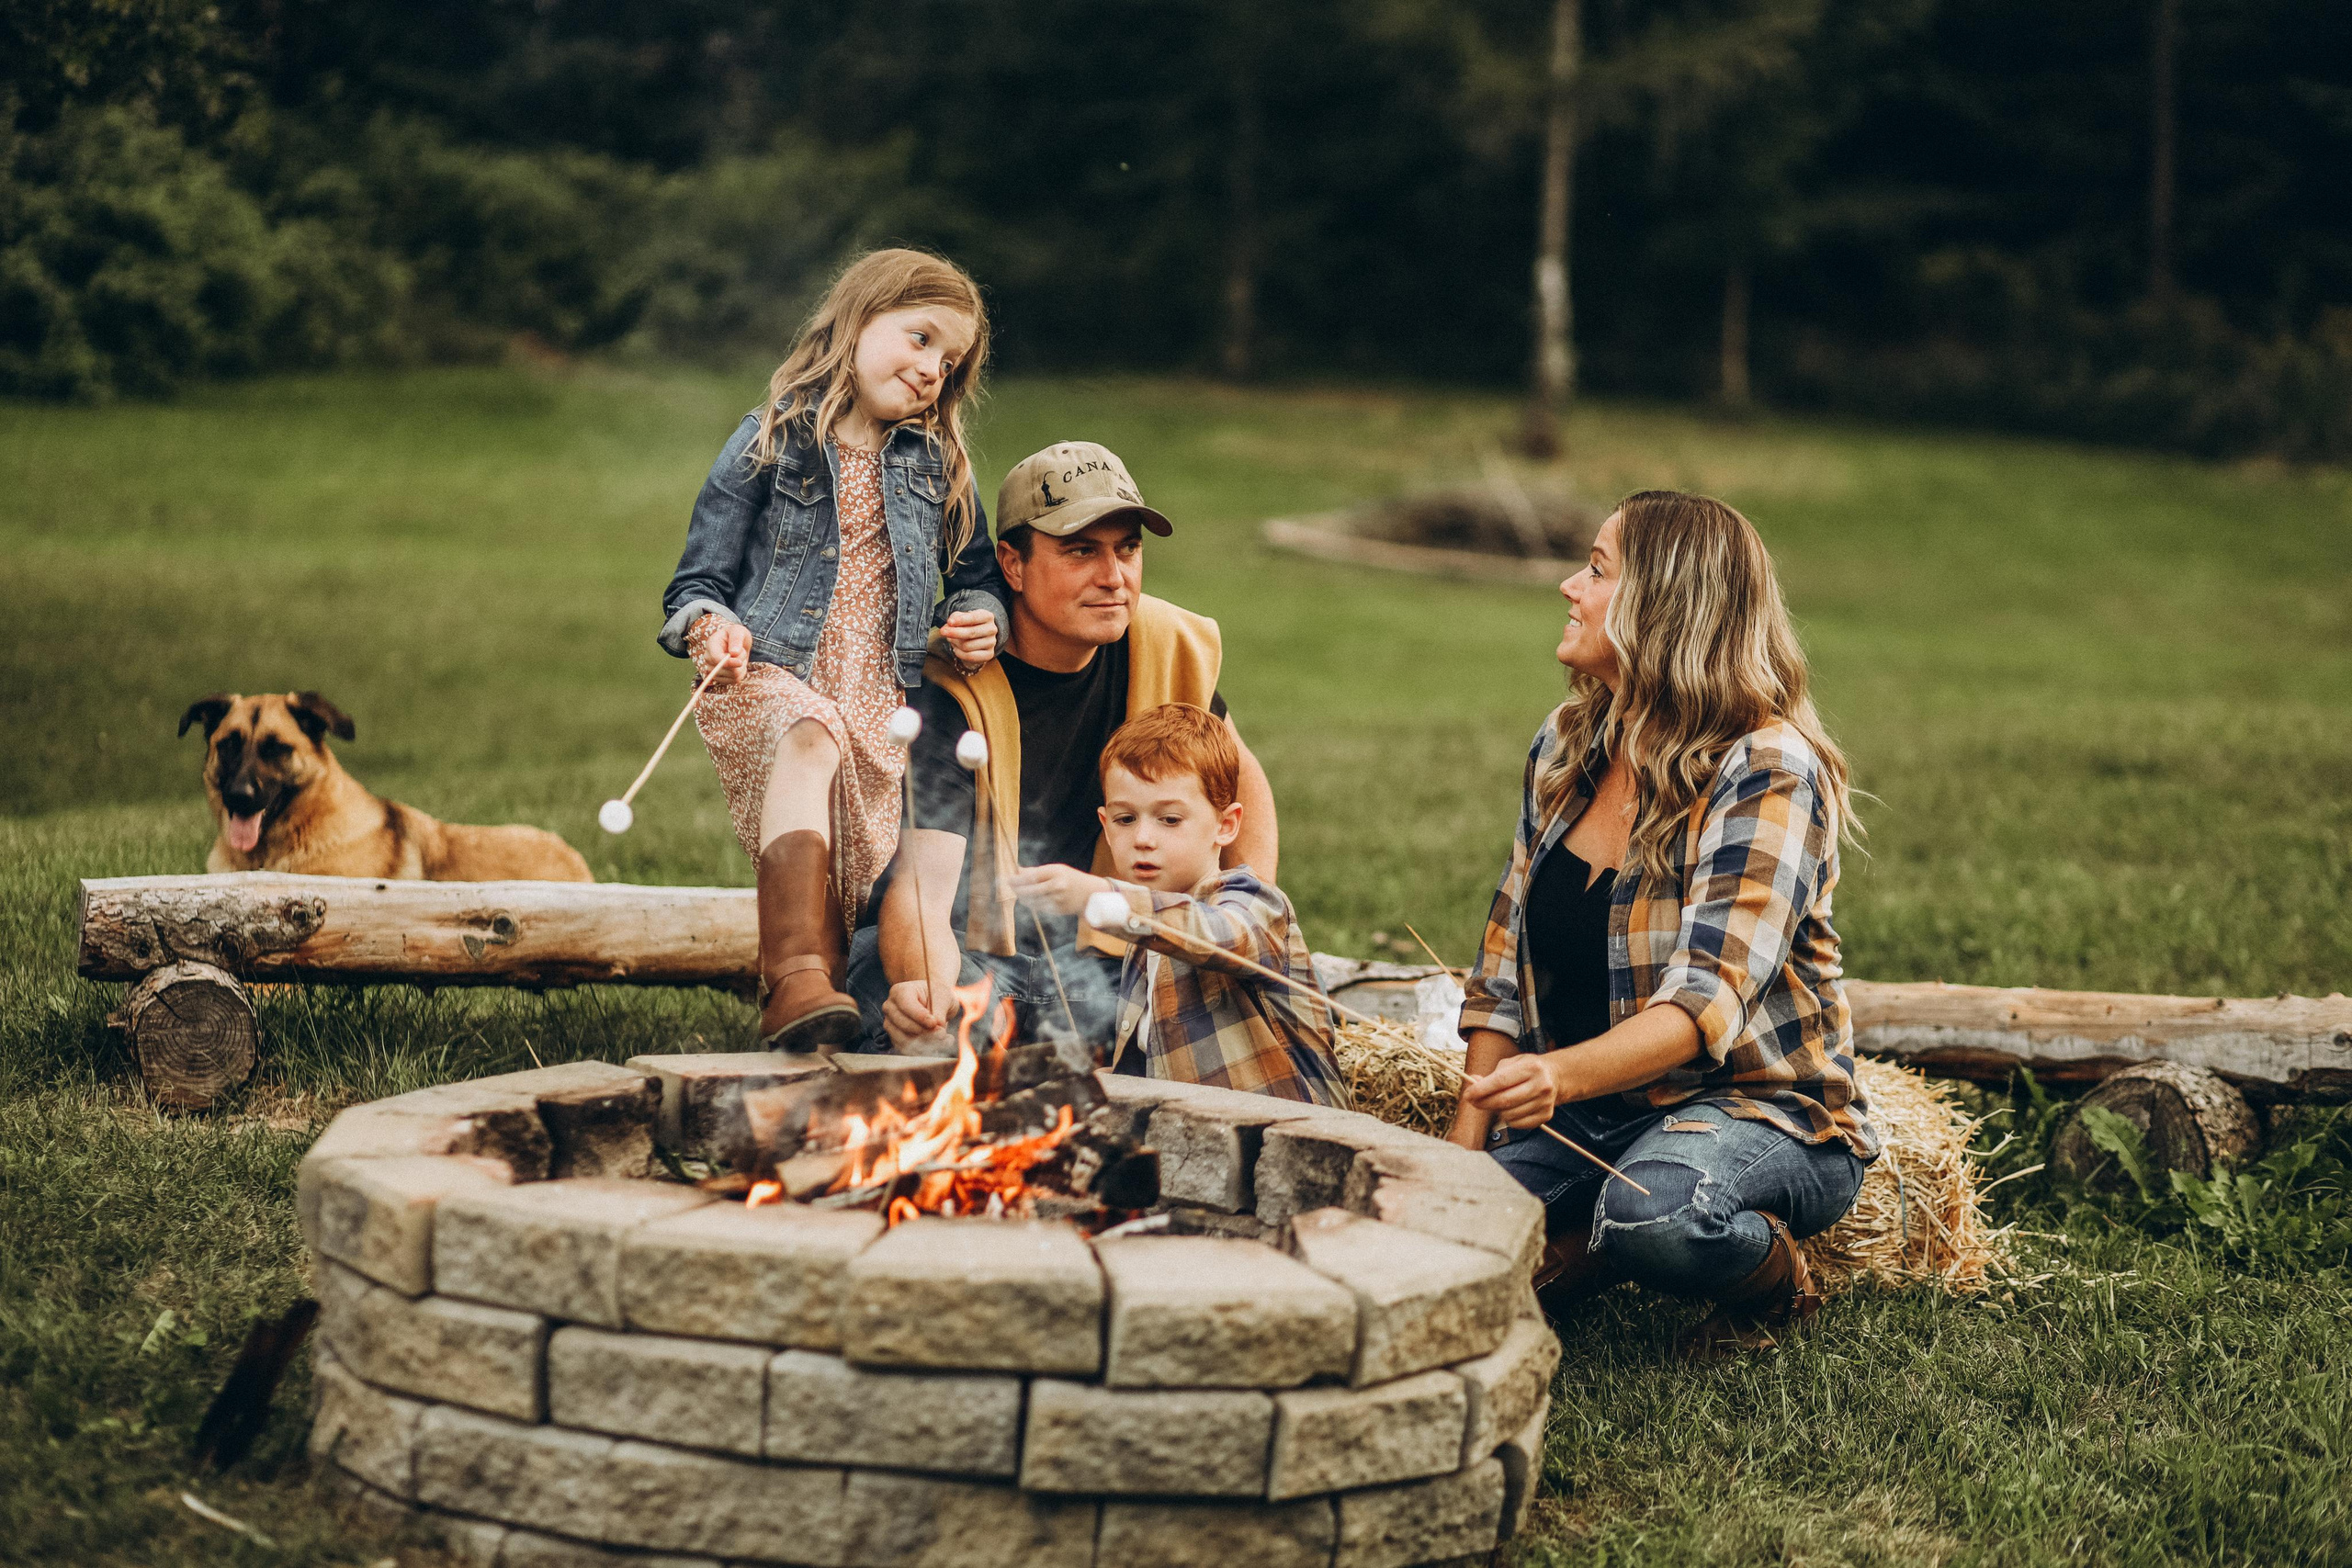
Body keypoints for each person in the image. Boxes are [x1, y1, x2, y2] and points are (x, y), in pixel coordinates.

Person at [1448, 489, 1876, 1359]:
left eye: (1597, 569)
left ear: (1664, 607)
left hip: (1759, 1109)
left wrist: (1558, 1076)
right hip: (1593, 1114)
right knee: (1448, 1241)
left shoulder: (1766, 769)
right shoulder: (1569, 742)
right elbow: (1501, 968)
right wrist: (1459, 1157)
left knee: (1657, 1213)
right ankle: (1593, 1249)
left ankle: (1778, 1284)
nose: (1570, 585)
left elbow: (1701, 1008)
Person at [658, 249, 1007, 1052]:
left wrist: (981, 617)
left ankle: (818, 1016)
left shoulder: (940, 466)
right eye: (919, 339)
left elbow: (979, 579)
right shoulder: (770, 438)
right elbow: (693, 589)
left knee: (848, 838)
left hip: (878, 699)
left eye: (949, 364)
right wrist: (714, 628)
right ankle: (795, 978)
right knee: (809, 729)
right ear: (858, 318)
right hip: (765, 675)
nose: (931, 372)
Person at [848, 440, 1279, 1057]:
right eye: (1081, 551)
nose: (1114, 577)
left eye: (1127, 548)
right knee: (944, 1042)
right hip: (964, 950)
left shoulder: (1163, 645)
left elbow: (1240, 785)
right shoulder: (957, 684)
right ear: (1012, 564)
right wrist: (934, 993)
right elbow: (920, 889)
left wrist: (1239, 932)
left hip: (1098, 960)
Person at [1012, 703, 1348, 1105]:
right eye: (1125, 819)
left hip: (1298, 1143)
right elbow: (1150, 1058)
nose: (1143, 839)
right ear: (1105, 824)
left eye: (1169, 819)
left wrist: (1097, 897)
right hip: (1203, 1145)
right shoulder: (1142, 941)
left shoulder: (1255, 903)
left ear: (1225, 826)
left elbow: (1215, 935)